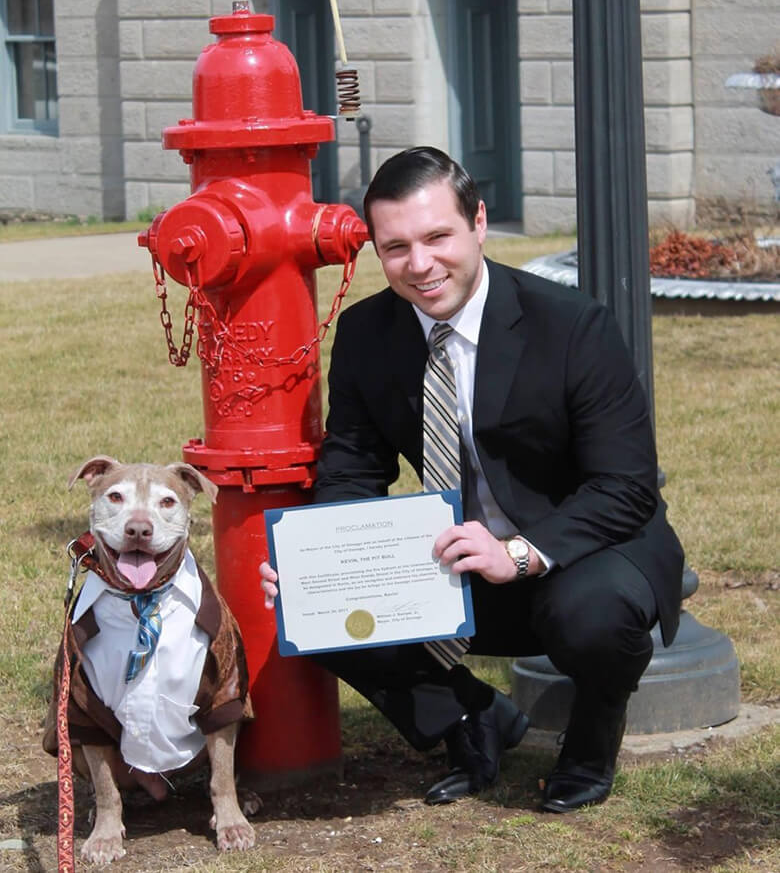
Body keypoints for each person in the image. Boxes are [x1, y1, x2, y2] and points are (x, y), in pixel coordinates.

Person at [260, 146, 684, 812]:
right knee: (308, 606)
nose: (420, 264)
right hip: (462, 561)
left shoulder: (573, 325)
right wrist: (314, 556)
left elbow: (627, 487)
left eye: (437, 237)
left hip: (583, 551)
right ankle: (468, 717)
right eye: (395, 246)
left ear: (479, 223)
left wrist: (516, 553)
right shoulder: (369, 332)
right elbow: (351, 467)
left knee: (593, 614)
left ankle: (593, 733)